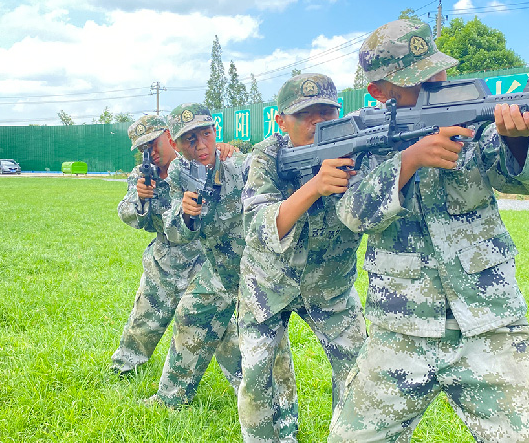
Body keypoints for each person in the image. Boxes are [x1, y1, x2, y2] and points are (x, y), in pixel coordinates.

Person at [328, 19, 529, 442]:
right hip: (398, 328)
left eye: (435, 70)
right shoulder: (364, 135)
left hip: (489, 322)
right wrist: (407, 162)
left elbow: (526, 179)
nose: (436, 82)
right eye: (415, 79)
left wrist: (517, 140)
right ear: (378, 91)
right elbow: (351, 214)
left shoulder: (473, 119)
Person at [155, 103, 298, 440]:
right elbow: (173, 231)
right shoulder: (178, 174)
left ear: (215, 132)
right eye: (189, 139)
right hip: (218, 269)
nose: (201, 145)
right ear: (175, 145)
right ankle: (170, 399)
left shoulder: (243, 165)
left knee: (272, 352)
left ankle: (284, 426)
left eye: (205, 134)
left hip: (258, 273)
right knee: (191, 320)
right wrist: (186, 215)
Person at [238, 74, 368, 443]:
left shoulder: (357, 146)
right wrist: (314, 186)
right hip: (267, 284)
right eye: (305, 115)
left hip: (331, 287)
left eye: (326, 113)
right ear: (280, 121)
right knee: (258, 375)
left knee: (357, 370)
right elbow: (258, 226)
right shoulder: (265, 155)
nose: (317, 123)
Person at [110, 115, 235, 378]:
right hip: (163, 260)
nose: (151, 153)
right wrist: (141, 200)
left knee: (223, 329)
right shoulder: (143, 176)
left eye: (154, 144)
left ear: (169, 136)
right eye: (143, 149)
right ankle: (124, 369)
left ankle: (246, 382)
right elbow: (127, 213)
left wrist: (224, 151)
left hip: (201, 260)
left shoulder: (192, 164)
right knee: (143, 321)